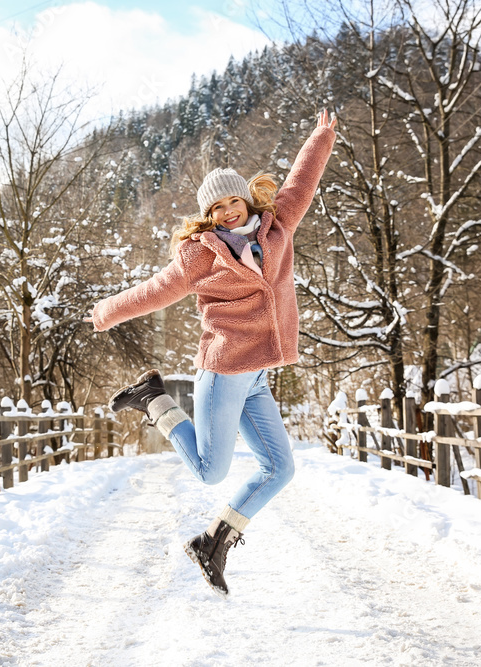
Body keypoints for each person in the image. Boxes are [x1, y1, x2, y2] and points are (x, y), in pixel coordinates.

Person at [86, 110, 337, 596]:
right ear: (208, 214)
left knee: (280, 469)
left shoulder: (277, 227)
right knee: (210, 470)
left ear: (245, 198)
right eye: (216, 207)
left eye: (232, 201)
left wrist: (321, 136)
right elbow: (155, 291)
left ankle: (214, 541)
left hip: (258, 374)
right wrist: (106, 312)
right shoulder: (200, 255)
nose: (227, 212)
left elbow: (301, 180)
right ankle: (153, 400)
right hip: (223, 370)